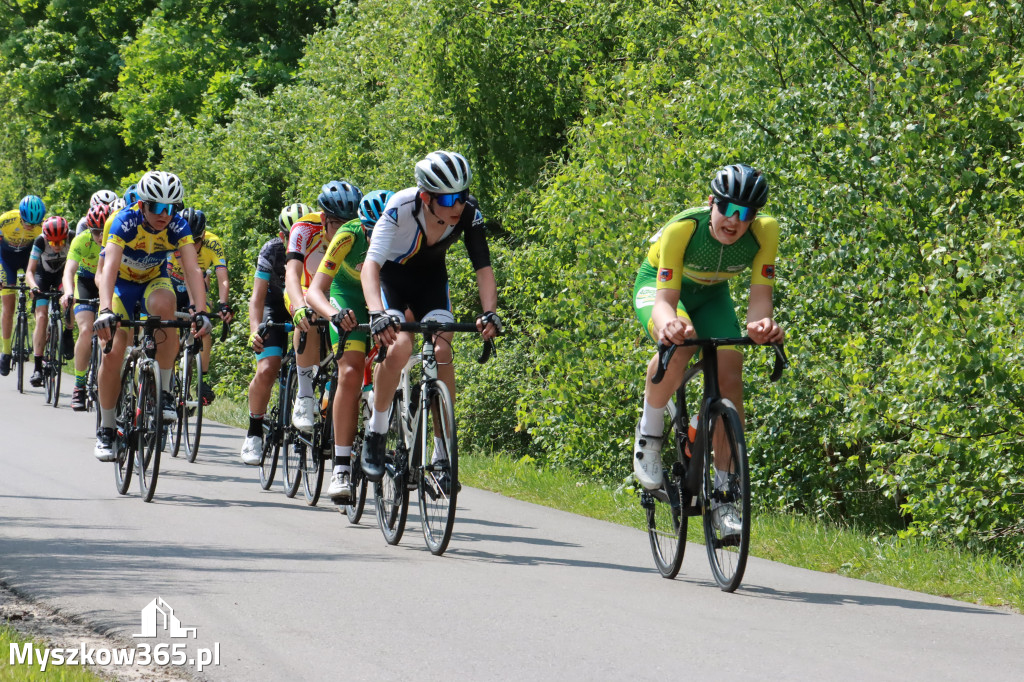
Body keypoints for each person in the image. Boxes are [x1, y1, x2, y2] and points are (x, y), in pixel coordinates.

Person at [631, 163, 784, 538]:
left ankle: (724, 495)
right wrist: (668, 323)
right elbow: (666, 299)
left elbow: (760, 300)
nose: (734, 221)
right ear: (712, 202)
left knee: (732, 375)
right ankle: (648, 438)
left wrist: (761, 325)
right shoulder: (684, 228)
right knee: (681, 343)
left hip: (713, 295)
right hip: (662, 290)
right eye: (728, 209)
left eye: (745, 213)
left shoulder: (766, 233)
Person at [360, 151, 502, 486]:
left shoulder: (468, 213)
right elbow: (371, 266)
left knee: (441, 352)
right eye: (450, 198)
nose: (458, 205)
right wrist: (376, 313)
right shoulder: (401, 207)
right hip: (392, 282)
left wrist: (489, 312)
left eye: (463, 195)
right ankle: (376, 434)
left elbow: (483, 268)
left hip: (431, 283)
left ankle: (442, 453)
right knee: (399, 347)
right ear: (426, 197)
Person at [92, 170, 211, 461]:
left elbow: (194, 269)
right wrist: (106, 309)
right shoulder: (124, 221)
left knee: (166, 308)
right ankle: (107, 429)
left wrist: (201, 310)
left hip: (152, 281)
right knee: (114, 351)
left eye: (171, 208)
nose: (164, 215)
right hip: (120, 285)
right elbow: (108, 268)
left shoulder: (178, 226)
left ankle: (165, 390)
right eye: (157, 207)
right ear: (143, 204)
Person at [305, 189, 393, 501]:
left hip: (383, 301)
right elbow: (315, 291)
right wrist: (333, 313)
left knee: (394, 361)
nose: (374, 238)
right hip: (347, 300)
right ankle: (341, 467)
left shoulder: (404, 235)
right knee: (351, 372)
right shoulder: (348, 234)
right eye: (369, 231)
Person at [284, 181, 362, 433]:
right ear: (325, 218)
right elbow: (292, 274)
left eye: (349, 221)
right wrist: (298, 307)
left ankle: (335, 389)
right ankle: (305, 396)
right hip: (305, 290)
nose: (345, 229)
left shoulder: (359, 231)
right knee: (310, 310)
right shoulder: (304, 228)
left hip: (339, 294)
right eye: (338, 224)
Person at [239, 202, 312, 465]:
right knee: (268, 367)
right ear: (282, 235)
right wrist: (254, 330)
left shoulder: (321, 244)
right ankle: (254, 431)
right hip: (274, 306)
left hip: (304, 305)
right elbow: (257, 298)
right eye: (289, 235)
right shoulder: (271, 250)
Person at [168, 207, 233, 404]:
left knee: (204, 329)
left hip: (195, 281)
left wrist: (224, 304)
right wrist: (194, 304)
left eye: (196, 240)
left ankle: (202, 381)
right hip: (171, 281)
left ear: (203, 235)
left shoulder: (213, 242)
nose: (192, 244)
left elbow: (222, 278)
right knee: (167, 328)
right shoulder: (173, 240)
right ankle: (168, 375)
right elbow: (174, 273)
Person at [61, 203, 112, 410]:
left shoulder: (117, 240)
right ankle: (79, 385)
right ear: (89, 229)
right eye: (96, 232)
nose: (100, 236)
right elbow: (69, 271)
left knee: (107, 334)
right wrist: (68, 292)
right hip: (85, 282)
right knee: (85, 329)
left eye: (104, 230)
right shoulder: (81, 241)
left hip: (107, 282)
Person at [0, 195, 46, 376]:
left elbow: (43, 255)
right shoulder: (5, 220)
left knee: (39, 300)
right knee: (8, 306)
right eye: (27, 222)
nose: (30, 227)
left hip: (28, 258)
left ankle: (39, 346)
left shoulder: (41, 228)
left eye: (34, 224)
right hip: (6, 260)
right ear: (20, 215)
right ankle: (5, 352)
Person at [25, 216, 72, 387]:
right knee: (42, 317)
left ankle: (68, 332)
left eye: (61, 242)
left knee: (70, 299)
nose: (58, 246)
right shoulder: (40, 241)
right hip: (42, 278)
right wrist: (34, 287)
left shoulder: (72, 238)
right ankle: (37, 367)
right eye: (53, 243)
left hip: (61, 277)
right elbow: (30, 271)